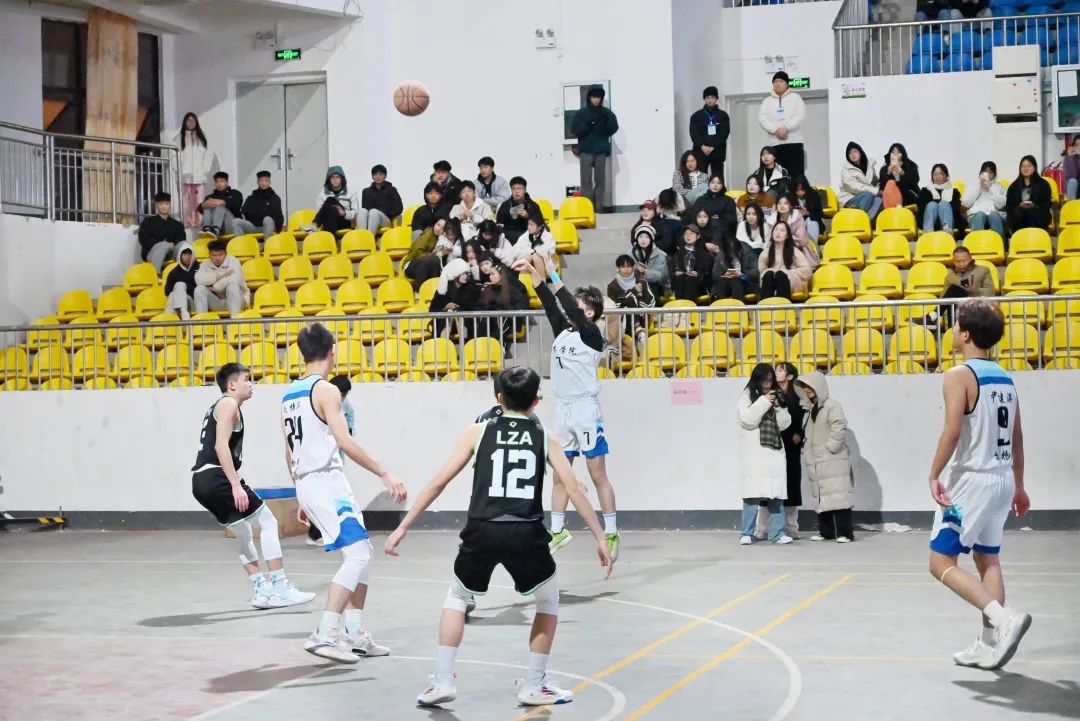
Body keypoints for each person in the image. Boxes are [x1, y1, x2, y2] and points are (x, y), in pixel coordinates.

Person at [383, 367, 612, 707]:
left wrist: (403, 526)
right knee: (548, 600)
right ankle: (534, 684)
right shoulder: (545, 437)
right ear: (536, 401)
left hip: (483, 528)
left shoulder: (477, 432)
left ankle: (442, 680)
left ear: (499, 398)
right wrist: (600, 536)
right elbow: (574, 489)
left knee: (457, 597)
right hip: (525, 530)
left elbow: (438, 482)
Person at [283, 323, 406, 664]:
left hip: (313, 482)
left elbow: (288, 450)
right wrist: (384, 472)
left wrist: (300, 492)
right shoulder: (326, 391)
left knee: (363, 550)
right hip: (325, 482)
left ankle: (353, 635)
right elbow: (344, 440)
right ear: (332, 351)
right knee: (357, 556)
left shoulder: (289, 394)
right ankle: (324, 634)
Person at [926, 298, 1031, 670]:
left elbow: (952, 432)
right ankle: (988, 645)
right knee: (988, 558)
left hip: (972, 481)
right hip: (1002, 478)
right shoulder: (1005, 377)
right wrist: (1019, 485)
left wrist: (934, 474)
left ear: (966, 334)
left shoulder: (958, 375)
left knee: (940, 561)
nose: (953, 329)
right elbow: (1017, 436)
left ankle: (1004, 620)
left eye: (956, 324)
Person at [513, 254, 621, 560]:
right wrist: (533, 272)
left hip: (585, 410)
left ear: (590, 312)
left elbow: (568, 305)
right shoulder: (564, 330)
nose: (572, 308)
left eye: (579, 305)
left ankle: (612, 532)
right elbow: (549, 301)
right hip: (563, 410)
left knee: (597, 474)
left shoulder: (592, 336)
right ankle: (558, 530)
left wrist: (554, 274)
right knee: (560, 473)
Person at [191, 363, 316, 608]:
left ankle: (261, 589)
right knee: (268, 522)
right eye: (246, 379)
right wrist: (235, 484)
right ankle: (279, 586)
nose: (251, 384)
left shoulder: (221, 406)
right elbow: (220, 446)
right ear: (231, 385)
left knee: (243, 531)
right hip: (216, 476)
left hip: (201, 482)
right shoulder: (228, 404)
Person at [737, 363, 793, 545]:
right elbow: (747, 420)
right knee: (752, 496)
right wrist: (764, 401)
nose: (768, 383)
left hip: (774, 452)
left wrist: (779, 407)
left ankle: (777, 533)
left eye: (770, 379)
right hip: (755, 453)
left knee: (776, 495)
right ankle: (746, 533)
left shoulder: (776, 394)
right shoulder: (748, 395)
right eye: (764, 379)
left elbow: (784, 424)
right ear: (757, 379)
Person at [797, 372, 854, 543]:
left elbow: (839, 425)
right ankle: (826, 532)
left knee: (839, 495)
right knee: (821, 496)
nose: (807, 390)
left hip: (832, 459)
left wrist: (831, 447)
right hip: (816, 460)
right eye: (805, 387)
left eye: (810, 386)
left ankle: (845, 533)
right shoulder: (809, 409)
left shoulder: (832, 405)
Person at [307, 374, 357, 547]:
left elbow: (350, 433)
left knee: (335, 495)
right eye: (340, 394)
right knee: (321, 495)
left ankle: (326, 531)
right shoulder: (318, 402)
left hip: (336, 457)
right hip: (319, 458)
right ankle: (316, 533)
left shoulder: (347, 407)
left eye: (344, 395)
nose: (341, 397)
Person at [571, 85, 619, 212]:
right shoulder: (581, 113)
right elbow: (575, 130)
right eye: (593, 97)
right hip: (586, 150)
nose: (596, 99)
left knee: (600, 181)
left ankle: (598, 208)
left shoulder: (606, 113)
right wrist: (588, 125)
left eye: (598, 97)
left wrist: (605, 125)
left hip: (601, 151)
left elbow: (613, 127)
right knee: (586, 181)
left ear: (601, 98)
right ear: (589, 97)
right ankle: (587, 209)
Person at [922, 247, 995, 326]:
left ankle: (934, 315)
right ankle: (950, 326)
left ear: (970, 258)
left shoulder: (983, 270)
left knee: (954, 289)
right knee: (953, 292)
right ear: (953, 261)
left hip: (976, 308)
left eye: (964, 261)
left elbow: (991, 292)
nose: (961, 264)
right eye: (958, 261)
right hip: (955, 310)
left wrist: (975, 290)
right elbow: (944, 297)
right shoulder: (950, 276)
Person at [758, 72, 806, 180]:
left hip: (794, 143)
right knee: (778, 176)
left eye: (781, 81)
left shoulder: (795, 98)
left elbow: (800, 115)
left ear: (787, 83)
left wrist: (787, 128)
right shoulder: (767, 101)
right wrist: (775, 130)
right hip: (775, 144)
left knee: (796, 176)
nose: (778, 83)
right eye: (775, 81)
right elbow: (762, 119)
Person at [609, 254, 656, 348]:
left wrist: (638, 306)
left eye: (629, 266)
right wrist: (633, 291)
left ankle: (637, 329)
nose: (626, 269)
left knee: (630, 301)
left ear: (633, 267)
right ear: (618, 268)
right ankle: (638, 330)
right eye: (623, 267)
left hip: (642, 317)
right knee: (628, 301)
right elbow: (615, 306)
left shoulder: (642, 282)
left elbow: (651, 302)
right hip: (622, 320)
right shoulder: (612, 286)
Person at [175, 112, 213, 228]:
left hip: (199, 176)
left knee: (199, 200)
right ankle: (187, 223)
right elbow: (172, 155)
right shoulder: (179, 138)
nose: (190, 123)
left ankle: (199, 222)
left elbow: (209, 154)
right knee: (186, 201)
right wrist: (179, 169)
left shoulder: (201, 138)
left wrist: (204, 169)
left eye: (193, 120)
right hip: (185, 176)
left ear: (196, 122)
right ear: (185, 122)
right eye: (188, 120)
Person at [758, 221, 812, 301]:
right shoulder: (765, 253)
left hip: (792, 281)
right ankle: (765, 305)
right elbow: (762, 273)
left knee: (781, 275)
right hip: (772, 280)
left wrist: (789, 272)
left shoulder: (794, 251)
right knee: (768, 274)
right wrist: (771, 271)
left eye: (782, 230)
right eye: (776, 230)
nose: (778, 233)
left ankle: (784, 306)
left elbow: (807, 271)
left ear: (787, 236)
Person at [194, 240, 248, 316]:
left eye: (220, 255)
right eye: (214, 255)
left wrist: (215, 286)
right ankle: (201, 321)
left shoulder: (234, 261)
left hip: (238, 301)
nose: (217, 258)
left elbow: (235, 279)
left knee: (232, 287)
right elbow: (198, 280)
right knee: (199, 289)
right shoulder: (204, 264)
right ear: (209, 255)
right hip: (216, 301)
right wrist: (218, 277)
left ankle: (235, 321)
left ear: (226, 254)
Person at [689, 85, 730, 181]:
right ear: (704, 99)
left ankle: (719, 191)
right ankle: (701, 191)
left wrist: (713, 147)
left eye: (712, 97)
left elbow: (724, 133)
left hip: (717, 152)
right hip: (700, 152)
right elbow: (693, 133)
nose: (710, 100)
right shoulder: (696, 116)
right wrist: (702, 146)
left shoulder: (723, 115)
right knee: (700, 178)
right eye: (707, 98)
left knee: (718, 177)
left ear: (716, 99)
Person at [138, 192, 186, 271]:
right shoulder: (148, 222)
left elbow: (181, 238)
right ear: (156, 205)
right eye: (161, 204)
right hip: (152, 253)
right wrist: (164, 245)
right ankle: (156, 274)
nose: (164, 207)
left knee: (184, 244)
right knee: (164, 245)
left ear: (170, 205)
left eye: (167, 204)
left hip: (171, 254)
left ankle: (184, 273)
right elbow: (143, 239)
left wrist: (173, 245)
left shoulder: (177, 224)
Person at [1005, 155, 1052, 234]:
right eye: (1023, 166)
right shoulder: (1013, 186)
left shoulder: (1043, 184)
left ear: (1035, 168)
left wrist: (1034, 206)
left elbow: (1046, 204)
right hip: (1019, 219)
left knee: (1033, 212)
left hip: (1038, 218)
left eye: (1029, 166)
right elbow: (1009, 206)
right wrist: (1019, 206)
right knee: (1019, 212)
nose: (1025, 168)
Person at [838, 141, 883, 221]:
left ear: (860, 152)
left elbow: (875, 181)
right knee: (867, 195)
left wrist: (881, 187)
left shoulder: (869, 166)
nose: (853, 154)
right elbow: (852, 186)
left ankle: (867, 221)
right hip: (850, 198)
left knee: (879, 200)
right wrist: (876, 191)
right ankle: (856, 220)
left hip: (868, 196)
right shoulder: (846, 168)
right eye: (850, 153)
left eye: (855, 151)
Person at [711, 230, 758, 302]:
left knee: (735, 281)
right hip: (725, 284)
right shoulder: (721, 254)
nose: (731, 252)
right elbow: (715, 274)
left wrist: (742, 274)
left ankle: (738, 308)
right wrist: (724, 275)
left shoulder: (747, 252)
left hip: (746, 283)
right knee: (723, 282)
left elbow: (755, 272)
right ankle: (721, 308)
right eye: (729, 250)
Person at [963, 161, 1007, 237]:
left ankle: (1000, 242)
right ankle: (977, 243)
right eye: (985, 172)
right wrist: (979, 187)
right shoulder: (973, 186)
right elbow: (966, 203)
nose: (987, 175)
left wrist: (990, 188)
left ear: (994, 175)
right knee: (980, 215)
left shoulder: (999, 187)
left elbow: (1000, 205)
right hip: (976, 216)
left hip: (995, 216)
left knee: (994, 214)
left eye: (990, 173)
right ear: (981, 173)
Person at [918, 163, 964, 234]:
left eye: (941, 174)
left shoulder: (954, 192)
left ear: (946, 176)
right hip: (930, 222)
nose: (938, 176)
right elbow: (922, 209)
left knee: (943, 204)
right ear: (932, 176)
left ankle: (947, 231)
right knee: (932, 205)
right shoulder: (925, 191)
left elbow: (956, 209)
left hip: (949, 220)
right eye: (935, 174)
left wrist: (943, 206)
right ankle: (928, 232)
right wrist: (936, 205)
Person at [688, 174, 738, 239]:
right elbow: (693, 216)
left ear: (722, 185)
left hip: (722, 231)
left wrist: (720, 216)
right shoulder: (701, 200)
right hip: (702, 229)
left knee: (715, 224)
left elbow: (733, 218)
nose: (715, 185)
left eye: (718, 183)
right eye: (712, 182)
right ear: (709, 184)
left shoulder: (728, 200)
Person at [357, 164, 404, 234]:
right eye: (375, 174)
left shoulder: (392, 190)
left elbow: (399, 208)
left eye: (381, 174)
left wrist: (381, 211)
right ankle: (363, 236)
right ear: (372, 176)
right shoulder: (366, 191)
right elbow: (366, 208)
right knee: (362, 211)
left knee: (374, 212)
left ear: (385, 176)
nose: (378, 177)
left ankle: (369, 238)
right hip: (370, 218)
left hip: (385, 220)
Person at [311, 166, 359, 234]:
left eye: (338, 177)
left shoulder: (351, 193)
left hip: (344, 222)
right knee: (332, 209)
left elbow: (356, 213)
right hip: (328, 221)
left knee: (330, 199)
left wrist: (344, 213)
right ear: (329, 179)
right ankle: (331, 238)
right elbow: (320, 212)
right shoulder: (322, 194)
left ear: (342, 179)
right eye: (332, 177)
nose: (335, 180)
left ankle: (314, 224)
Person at [672, 224, 713, 301]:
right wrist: (676, 273)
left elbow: (708, 274)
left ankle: (689, 306)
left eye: (691, 233)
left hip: (697, 284)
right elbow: (672, 269)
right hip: (680, 282)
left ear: (698, 236)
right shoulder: (678, 254)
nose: (688, 236)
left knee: (690, 279)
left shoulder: (705, 255)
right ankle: (679, 306)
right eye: (686, 234)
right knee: (680, 278)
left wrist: (698, 274)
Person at [198, 172, 245, 239]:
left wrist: (223, 202)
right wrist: (202, 205)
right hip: (213, 227)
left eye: (222, 181)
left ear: (227, 182)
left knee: (220, 206)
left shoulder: (235, 193)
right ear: (214, 183)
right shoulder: (210, 197)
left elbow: (236, 204)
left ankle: (215, 230)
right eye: (217, 182)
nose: (219, 184)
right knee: (207, 206)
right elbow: (199, 209)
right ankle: (206, 229)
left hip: (232, 226)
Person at [496, 176, 542, 242]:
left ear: (525, 190)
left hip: (528, 237)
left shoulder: (533, 206)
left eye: (519, 188)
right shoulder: (505, 205)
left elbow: (540, 225)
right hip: (508, 238)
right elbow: (499, 224)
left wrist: (528, 217)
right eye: (514, 189)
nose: (517, 191)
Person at [631, 225, 671, 299]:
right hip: (635, 285)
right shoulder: (630, 253)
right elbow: (622, 272)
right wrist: (634, 269)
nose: (643, 240)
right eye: (640, 237)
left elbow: (661, 277)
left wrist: (645, 272)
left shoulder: (660, 255)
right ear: (636, 239)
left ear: (651, 239)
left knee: (652, 287)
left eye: (647, 237)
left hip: (656, 286)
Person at [241, 171, 284, 238]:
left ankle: (267, 244)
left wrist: (258, 214)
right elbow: (244, 213)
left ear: (269, 182)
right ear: (257, 182)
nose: (263, 183)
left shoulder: (275, 198)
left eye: (266, 180)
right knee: (236, 221)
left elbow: (277, 217)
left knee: (267, 219)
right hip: (254, 226)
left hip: (270, 227)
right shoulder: (251, 198)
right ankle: (240, 243)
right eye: (261, 180)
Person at [878, 143, 920, 209]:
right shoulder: (884, 169)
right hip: (891, 196)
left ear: (903, 154)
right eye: (893, 152)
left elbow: (914, 182)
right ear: (890, 154)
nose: (896, 154)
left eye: (898, 152)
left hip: (908, 195)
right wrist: (888, 173)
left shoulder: (912, 166)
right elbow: (882, 187)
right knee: (891, 183)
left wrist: (901, 172)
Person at [164, 241, 198, 320]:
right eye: (184, 254)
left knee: (180, 286)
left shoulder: (200, 267)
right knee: (176, 290)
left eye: (189, 254)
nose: (187, 257)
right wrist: (180, 293)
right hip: (178, 304)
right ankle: (184, 314)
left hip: (196, 303)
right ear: (180, 255)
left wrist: (185, 289)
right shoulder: (174, 272)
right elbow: (167, 291)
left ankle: (167, 320)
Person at [792, 176, 824, 244]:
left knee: (810, 221)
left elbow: (819, 214)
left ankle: (812, 245)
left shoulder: (814, 195)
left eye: (802, 190)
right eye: (797, 190)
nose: (800, 192)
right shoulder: (790, 197)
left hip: (811, 220)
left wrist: (808, 213)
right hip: (795, 222)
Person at [1066, 136, 1080, 201]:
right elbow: (1071, 176)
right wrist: (1070, 157)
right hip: (1075, 186)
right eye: (1076, 145)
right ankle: (1072, 205)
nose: (1079, 147)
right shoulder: (1070, 158)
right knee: (1072, 181)